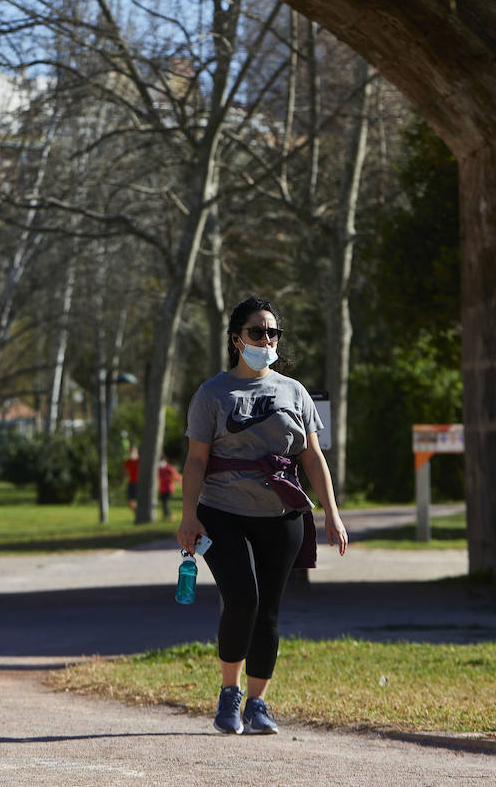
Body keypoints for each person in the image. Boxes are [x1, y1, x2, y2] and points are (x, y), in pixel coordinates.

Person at [176, 296, 347, 736]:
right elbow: (195, 460)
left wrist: (332, 511)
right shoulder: (212, 393)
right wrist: (188, 516)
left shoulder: (294, 391)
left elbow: (312, 457)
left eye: (273, 332)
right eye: (257, 332)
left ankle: (258, 703)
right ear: (237, 339)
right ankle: (229, 695)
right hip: (222, 511)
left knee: (269, 610)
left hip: (283, 511)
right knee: (242, 600)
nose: (266, 340)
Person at [156, 452, 182, 520]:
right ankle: (166, 516)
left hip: (168, 489)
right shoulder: (159, 469)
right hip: (162, 489)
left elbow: (177, 477)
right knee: (164, 504)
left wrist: (173, 479)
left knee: (165, 503)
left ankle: (170, 516)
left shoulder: (169, 468)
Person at [123, 441, 140, 512]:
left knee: (139, 501)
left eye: (133, 451)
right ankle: (138, 513)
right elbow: (126, 473)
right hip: (131, 483)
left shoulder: (140, 460)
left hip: (139, 483)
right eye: (130, 451)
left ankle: (140, 513)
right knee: (130, 502)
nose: (131, 453)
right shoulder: (127, 462)